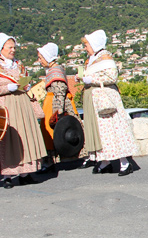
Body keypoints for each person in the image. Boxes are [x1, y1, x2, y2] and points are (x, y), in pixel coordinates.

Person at [79, 30, 138, 176]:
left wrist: (91, 80)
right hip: (94, 99)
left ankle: (124, 163)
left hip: (105, 99)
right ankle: (104, 161)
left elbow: (111, 76)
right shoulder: (93, 59)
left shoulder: (105, 57)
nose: (85, 48)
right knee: (100, 131)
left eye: (87, 45)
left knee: (113, 129)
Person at [0, 34, 47, 188]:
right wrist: (7, 88)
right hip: (7, 105)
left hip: (22, 103)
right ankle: (7, 175)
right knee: (9, 139)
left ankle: (26, 173)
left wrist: (26, 86)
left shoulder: (18, 65)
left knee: (24, 137)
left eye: (14, 47)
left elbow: (26, 81)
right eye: (10, 47)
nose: (13, 50)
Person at [37, 42, 80, 171]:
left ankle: (50, 161)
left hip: (54, 105)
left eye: (41, 57)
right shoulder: (54, 69)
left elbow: (59, 92)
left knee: (50, 131)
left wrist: (58, 112)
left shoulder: (55, 71)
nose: (39, 61)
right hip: (51, 103)